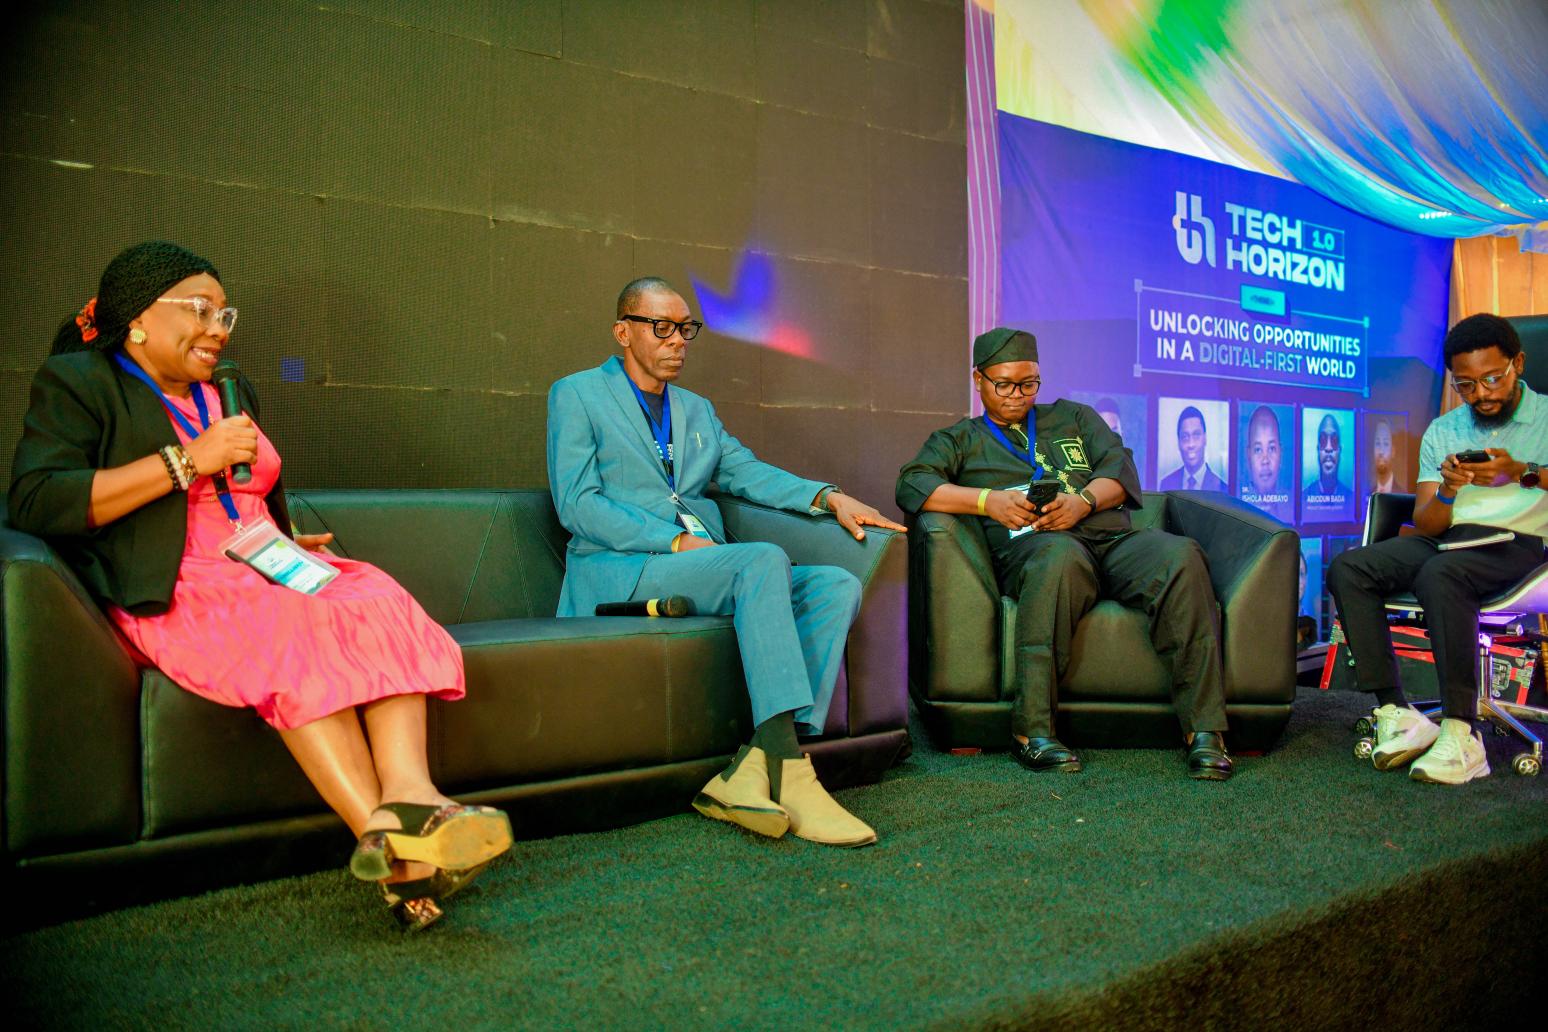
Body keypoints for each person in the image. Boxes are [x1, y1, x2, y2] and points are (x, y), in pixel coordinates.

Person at [7, 242, 511, 930]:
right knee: (290, 629)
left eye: (224, 314)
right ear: (138, 319)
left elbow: (244, 491)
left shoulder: (228, 387)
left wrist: (281, 537)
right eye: (199, 309)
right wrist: (186, 460)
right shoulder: (81, 382)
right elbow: (36, 499)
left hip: (260, 565)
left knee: (375, 596)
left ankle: (411, 798)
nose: (217, 329)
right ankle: (400, 860)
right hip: (180, 582)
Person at [545, 276, 906, 847]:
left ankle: (755, 764)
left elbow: (746, 472)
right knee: (758, 561)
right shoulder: (578, 394)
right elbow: (577, 503)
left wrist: (827, 497)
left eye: (685, 328)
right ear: (623, 332)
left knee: (834, 584)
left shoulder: (696, 410)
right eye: (660, 327)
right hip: (623, 568)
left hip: (699, 566)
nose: (677, 340)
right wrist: (673, 541)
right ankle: (792, 773)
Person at [895, 327, 1233, 779]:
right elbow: (912, 484)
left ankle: (1205, 731)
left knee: (1181, 556)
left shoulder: (1074, 417)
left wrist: (1083, 502)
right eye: (1004, 385)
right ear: (978, 379)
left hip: (1110, 540)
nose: (1018, 396)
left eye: (1028, 384)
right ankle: (1031, 732)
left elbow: (1120, 470)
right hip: (1039, 548)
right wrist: (987, 501)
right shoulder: (959, 439)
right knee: (1059, 558)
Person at [1327, 314, 1548, 784]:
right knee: (1349, 568)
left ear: (1518, 364)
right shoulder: (1444, 430)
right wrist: (1448, 489)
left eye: (1492, 379)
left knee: (1441, 575)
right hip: (1451, 541)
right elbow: (1427, 521)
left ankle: (1462, 733)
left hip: (1521, 546)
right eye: (1465, 385)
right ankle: (1397, 711)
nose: (1481, 394)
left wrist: (1519, 473)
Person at [1241, 405, 1291, 520]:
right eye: (1258, 450)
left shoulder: (1292, 507)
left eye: (1272, 448)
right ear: (1248, 456)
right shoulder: (1236, 508)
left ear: (1280, 452)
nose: (1265, 460)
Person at [1158, 405, 1226, 490]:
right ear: (1178, 442)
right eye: (1185, 437)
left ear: (1205, 439)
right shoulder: (1166, 484)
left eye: (1196, 435)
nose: (1191, 444)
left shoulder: (1222, 488)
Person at [1303, 413, 1353, 505]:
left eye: (1334, 440)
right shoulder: (1303, 498)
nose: (1328, 448)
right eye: (1323, 440)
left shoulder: (1351, 500)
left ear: (1340, 450)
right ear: (1318, 450)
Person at [1370, 418, 1399, 494]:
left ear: (1393, 451)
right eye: (1377, 443)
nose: (1381, 452)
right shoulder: (1366, 495)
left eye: (1386, 444)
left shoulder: (1403, 495)